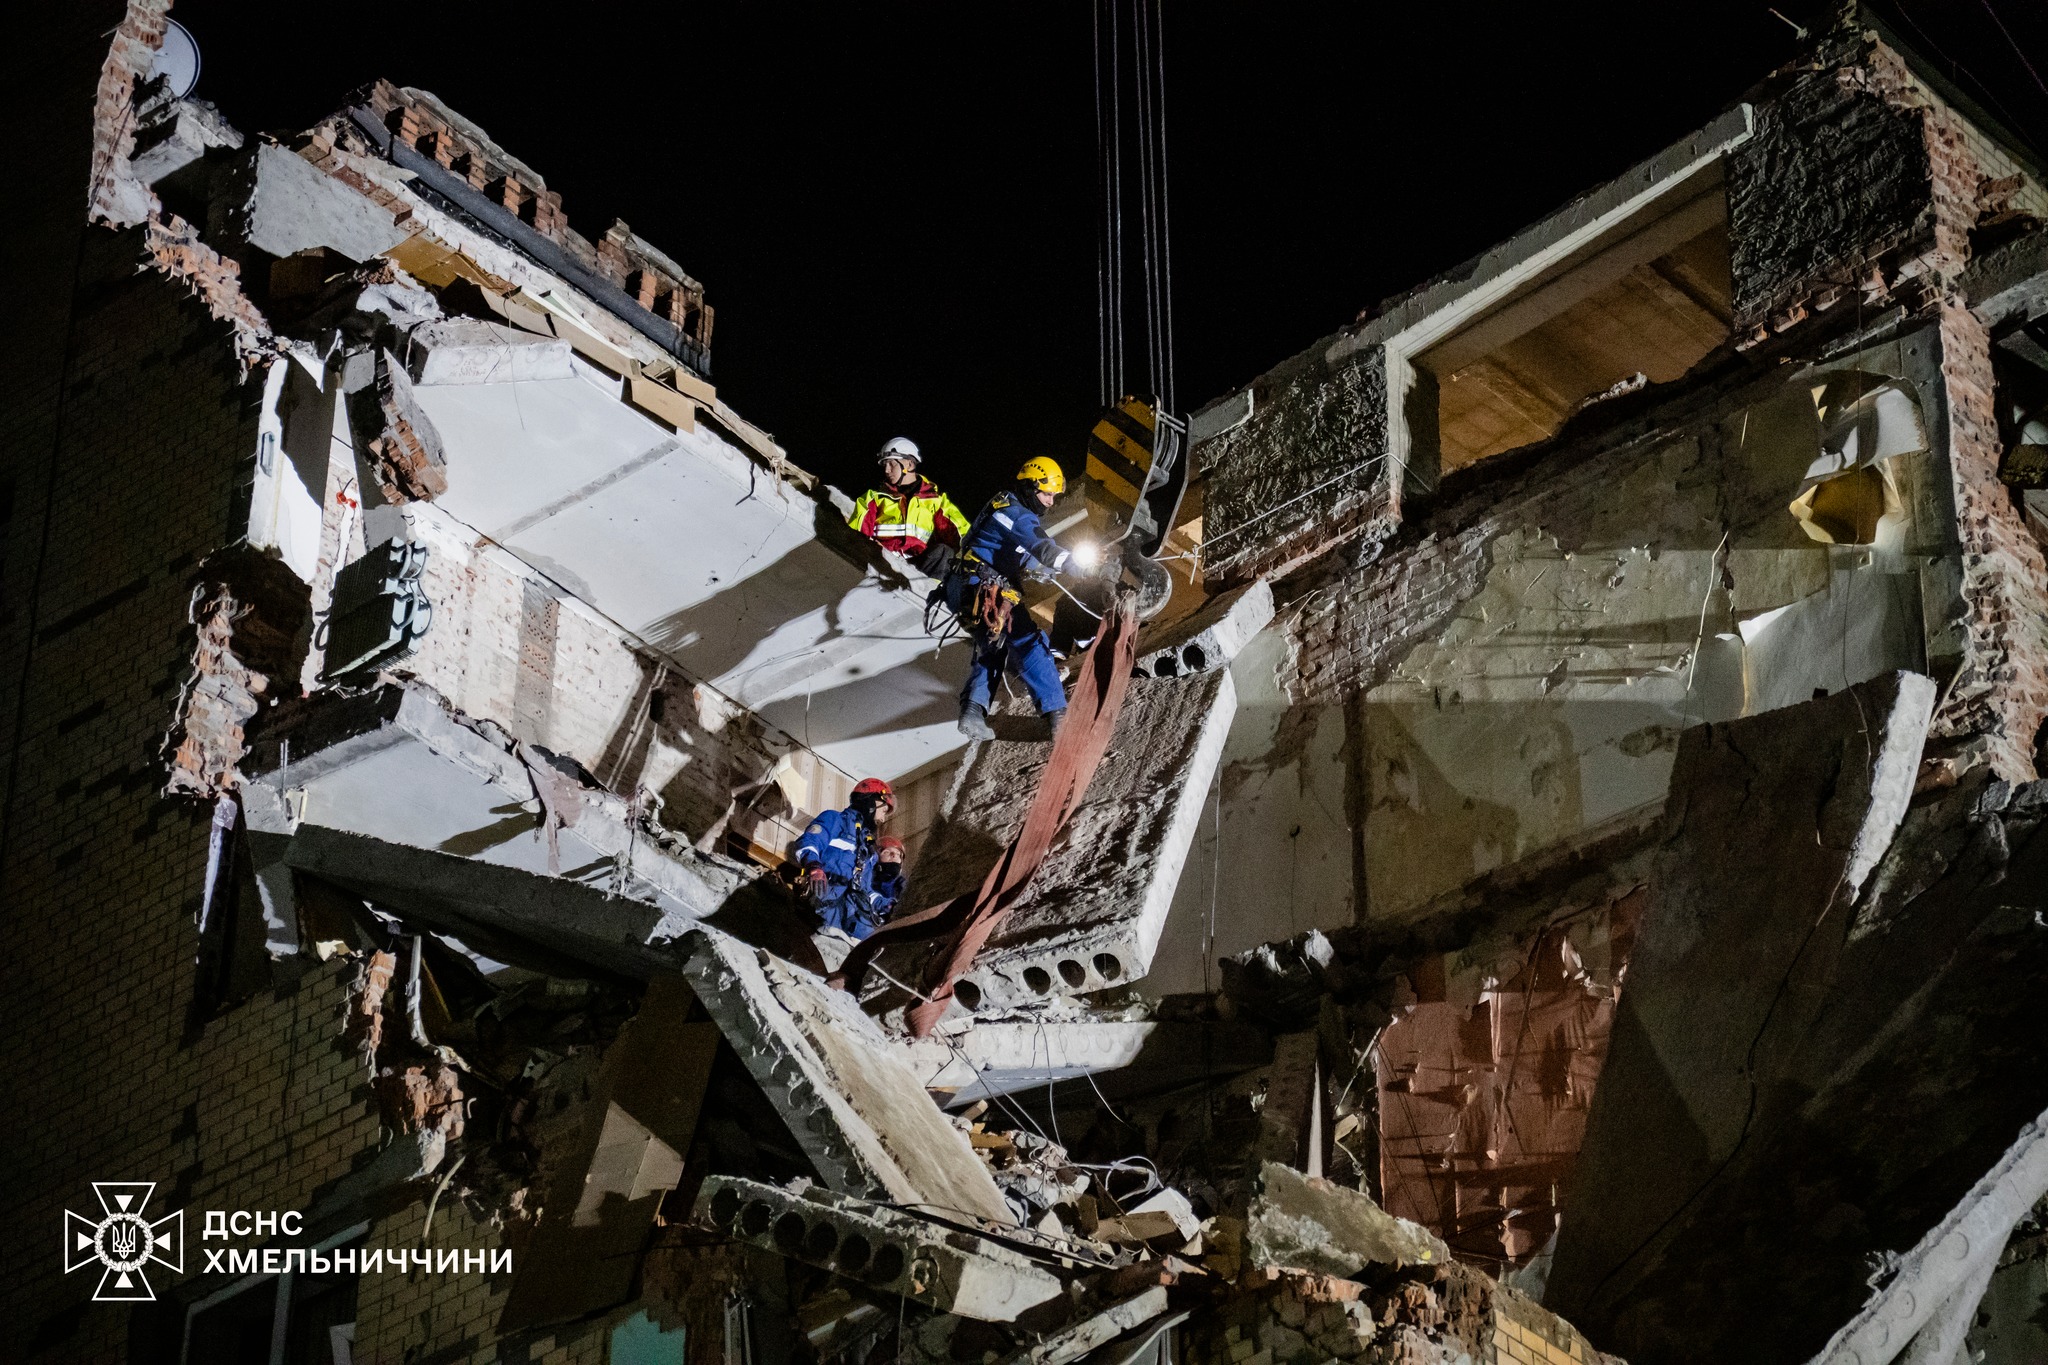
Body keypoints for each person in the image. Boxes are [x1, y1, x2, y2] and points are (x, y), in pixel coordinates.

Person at [942, 457, 1078, 741]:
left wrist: (1040, 570)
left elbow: (1016, 552)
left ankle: (972, 712)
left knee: (993, 647)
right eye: (1046, 494)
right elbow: (1043, 547)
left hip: (963, 587)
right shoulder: (1019, 515)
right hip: (986, 589)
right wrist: (1080, 565)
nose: (1051, 502)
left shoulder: (1001, 506)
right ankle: (1059, 716)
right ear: (1030, 488)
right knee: (1029, 642)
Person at [793, 778, 901, 940]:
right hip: (826, 900)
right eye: (883, 810)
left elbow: (867, 890)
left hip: (854, 914)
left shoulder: (869, 851)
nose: (882, 819)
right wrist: (814, 867)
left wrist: (887, 905)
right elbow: (810, 842)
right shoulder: (835, 819)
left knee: (868, 949)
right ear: (871, 802)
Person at [847, 437, 971, 577]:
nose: (887, 470)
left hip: (918, 569)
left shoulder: (936, 502)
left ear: (910, 465)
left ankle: (929, 594)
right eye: (884, 465)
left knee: (944, 552)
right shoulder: (873, 499)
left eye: (891, 464)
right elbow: (854, 537)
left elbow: (963, 534)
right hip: (882, 563)